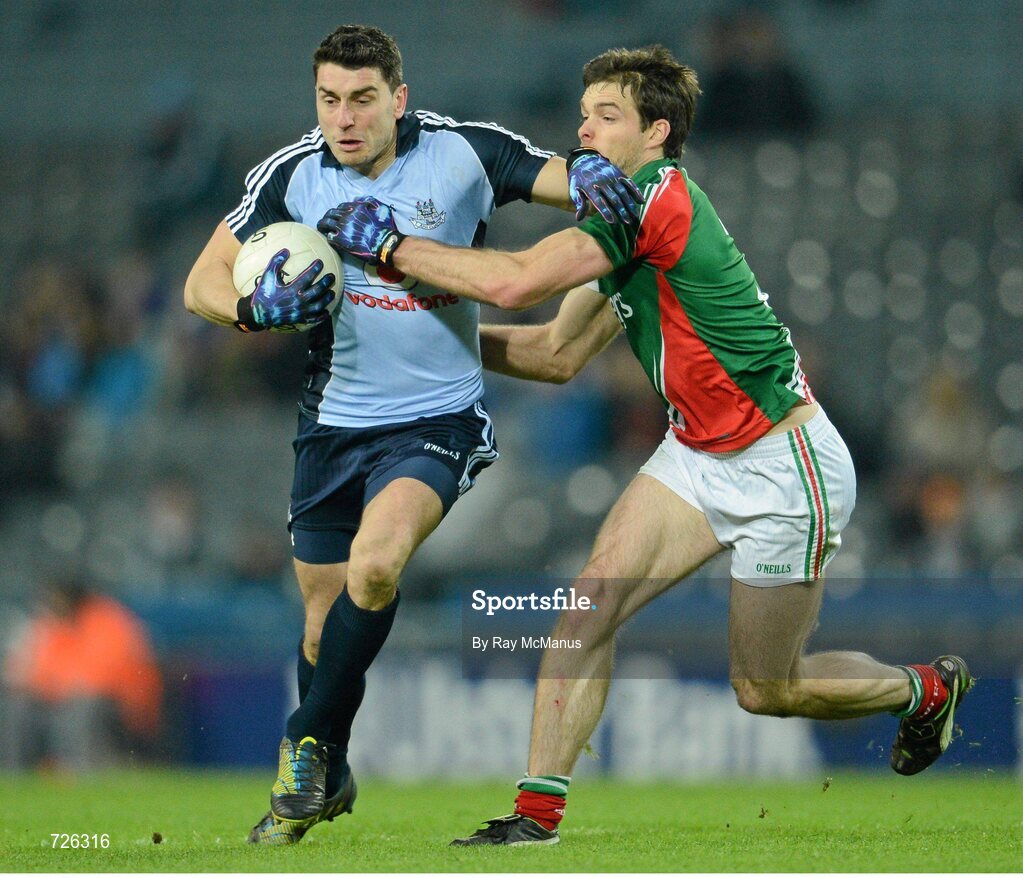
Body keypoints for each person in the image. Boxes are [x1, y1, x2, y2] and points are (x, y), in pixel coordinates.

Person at [319, 44, 974, 846]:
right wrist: (422, 334)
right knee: (586, 604)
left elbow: (519, 281)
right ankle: (534, 817)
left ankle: (922, 692)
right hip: (696, 455)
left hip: (783, 464)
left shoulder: (656, 200)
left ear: (656, 132)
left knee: (766, 688)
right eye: (582, 113)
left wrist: (387, 250)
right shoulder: (618, 220)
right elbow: (551, 356)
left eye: (606, 116)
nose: (582, 130)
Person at [183, 24, 642, 845]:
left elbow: (558, 179)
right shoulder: (291, 176)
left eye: (362, 99)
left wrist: (595, 173)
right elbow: (201, 283)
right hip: (330, 426)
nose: (345, 117)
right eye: (329, 99)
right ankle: (332, 765)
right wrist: (249, 311)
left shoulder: (462, 153)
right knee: (324, 625)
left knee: (378, 560)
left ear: (398, 98)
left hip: (435, 420)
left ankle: (302, 746)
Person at [3, 577, 162, 772]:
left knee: (82, 705)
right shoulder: (54, 624)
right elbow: (37, 670)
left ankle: (80, 767)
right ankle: (14, 770)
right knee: (18, 704)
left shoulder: (107, 620)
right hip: (62, 697)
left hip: (119, 704)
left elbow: (103, 675)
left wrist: (57, 683)